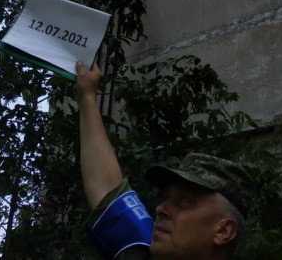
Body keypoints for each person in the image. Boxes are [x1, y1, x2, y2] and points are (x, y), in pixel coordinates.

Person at [74, 60, 253, 260]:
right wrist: (87, 97)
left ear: (224, 231)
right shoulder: (141, 250)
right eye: (166, 198)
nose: (161, 209)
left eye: (184, 202)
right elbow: (108, 191)